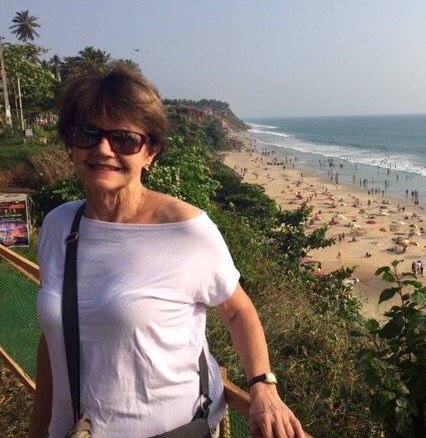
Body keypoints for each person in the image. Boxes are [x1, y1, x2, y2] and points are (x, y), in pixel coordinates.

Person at [29, 65, 304, 438]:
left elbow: (238, 310)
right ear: (70, 144)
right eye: (87, 134)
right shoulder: (59, 225)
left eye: (124, 139)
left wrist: (263, 387)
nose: (103, 150)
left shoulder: (187, 230)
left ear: (151, 153)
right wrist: (39, 427)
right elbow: (55, 334)